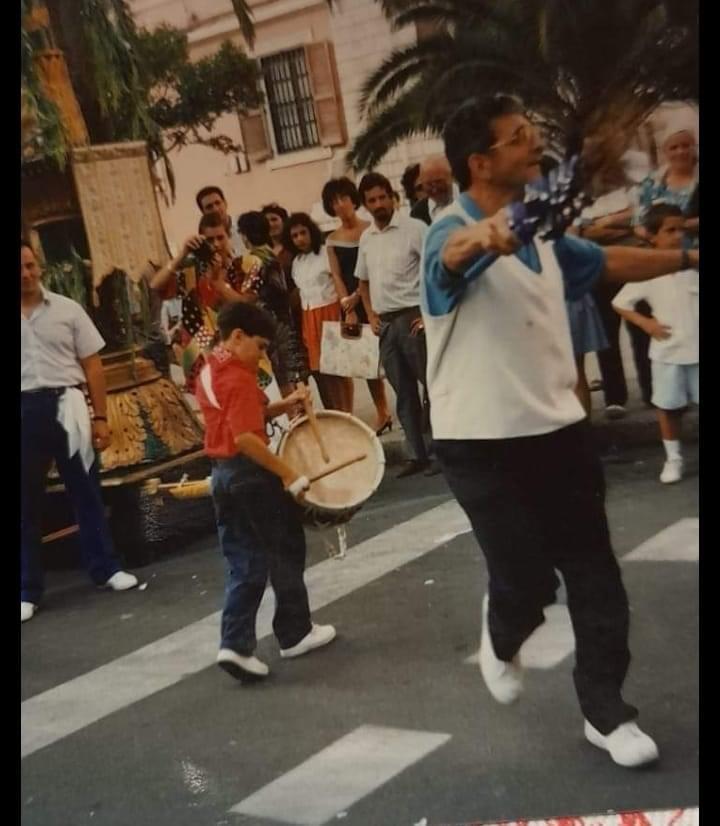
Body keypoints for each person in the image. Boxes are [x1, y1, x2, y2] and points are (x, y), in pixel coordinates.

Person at [422, 94, 699, 767]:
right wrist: (489, 235)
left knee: (595, 575)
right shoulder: (449, 227)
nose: (534, 145)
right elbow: (451, 260)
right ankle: (505, 620)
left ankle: (607, 714)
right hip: (479, 442)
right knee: (525, 578)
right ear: (481, 161)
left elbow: (607, 265)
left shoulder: (544, 232)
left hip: (559, 434)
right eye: (519, 139)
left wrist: (687, 260)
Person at [196, 301, 336, 680]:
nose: (262, 356)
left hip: (223, 477)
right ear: (237, 336)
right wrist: (290, 474)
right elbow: (246, 439)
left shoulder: (212, 369)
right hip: (250, 475)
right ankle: (296, 633)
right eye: (259, 346)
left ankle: (235, 644)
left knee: (244, 561)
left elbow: (238, 421)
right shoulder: (240, 378)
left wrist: (283, 405)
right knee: (285, 548)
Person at [21, 241, 138, 623]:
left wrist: (100, 417)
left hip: (66, 403)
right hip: (24, 408)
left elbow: (93, 365)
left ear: (39, 266)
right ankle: (27, 589)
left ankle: (106, 568)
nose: (25, 274)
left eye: (28, 265)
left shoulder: (68, 310)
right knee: (25, 503)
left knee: (85, 489)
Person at [355, 172, 440, 478]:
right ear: (365, 205)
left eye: (382, 197)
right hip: (387, 325)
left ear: (393, 197)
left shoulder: (415, 229)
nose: (379, 204)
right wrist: (371, 315)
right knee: (403, 393)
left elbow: (435, 270)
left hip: (413, 316)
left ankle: (441, 451)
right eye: (372, 200)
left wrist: (429, 313)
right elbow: (362, 282)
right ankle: (416, 455)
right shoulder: (367, 238)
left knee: (433, 385)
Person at [612, 204, 698, 484]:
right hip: (668, 352)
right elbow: (620, 303)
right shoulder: (648, 272)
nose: (677, 236)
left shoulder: (694, 266)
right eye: (669, 230)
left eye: (681, 230)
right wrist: (647, 324)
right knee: (668, 407)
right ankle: (673, 458)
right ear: (652, 237)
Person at [322, 177, 392, 434]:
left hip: (376, 295)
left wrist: (359, 294)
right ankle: (382, 412)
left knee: (390, 356)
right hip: (351, 304)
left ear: (353, 200)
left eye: (343, 198)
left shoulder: (370, 229)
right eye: (334, 201)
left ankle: (401, 408)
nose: (340, 205)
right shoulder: (332, 240)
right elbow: (337, 275)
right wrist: (348, 307)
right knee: (366, 361)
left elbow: (375, 267)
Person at [150, 212, 250, 393]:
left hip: (234, 342)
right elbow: (156, 285)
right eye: (209, 240)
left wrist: (218, 282)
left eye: (220, 238)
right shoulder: (191, 268)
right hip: (199, 344)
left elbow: (246, 306)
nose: (216, 244)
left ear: (229, 236)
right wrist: (182, 253)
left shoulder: (241, 265)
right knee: (211, 408)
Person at [283, 212, 354, 412]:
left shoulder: (325, 252)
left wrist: (346, 309)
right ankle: (337, 411)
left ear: (311, 231)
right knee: (323, 370)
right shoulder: (297, 262)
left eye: (303, 233)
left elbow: (338, 281)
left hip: (330, 311)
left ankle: (348, 413)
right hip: (309, 316)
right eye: (295, 235)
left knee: (339, 368)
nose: (300, 239)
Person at [236, 211, 307, 396]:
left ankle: (294, 420)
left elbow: (248, 296)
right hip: (285, 322)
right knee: (292, 379)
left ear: (244, 235)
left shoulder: (252, 259)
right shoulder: (271, 255)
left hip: (268, 325)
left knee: (282, 381)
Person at [196, 185, 246, 255]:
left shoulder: (245, 224)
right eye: (209, 207)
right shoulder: (204, 239)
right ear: (203, 212)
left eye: (218, 203)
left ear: (225, 203)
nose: (215, 209)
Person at [411, 155, 456, 226]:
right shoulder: (418, 213)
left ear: (451, 177)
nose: (434, 189)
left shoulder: (471, 197)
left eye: (439, 182)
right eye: (428, 184)